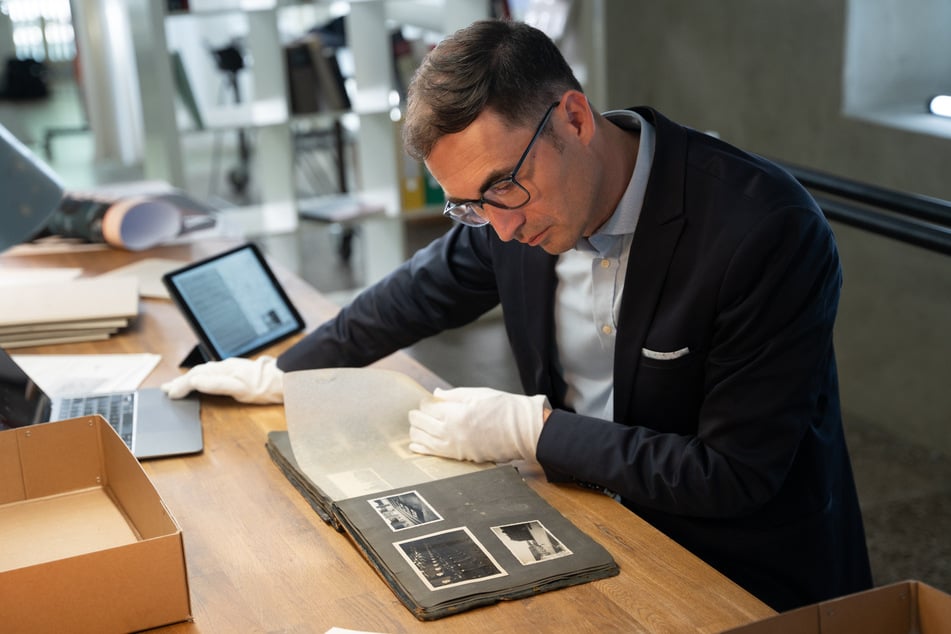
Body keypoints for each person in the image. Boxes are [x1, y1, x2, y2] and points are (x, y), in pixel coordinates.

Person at [162, 19, 873, 611]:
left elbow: (733, 475)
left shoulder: (762, 230)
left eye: (504, 187)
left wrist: (531, 432)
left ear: (572, 116)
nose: (496, 229)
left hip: (738, 572)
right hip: (588, 524)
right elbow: (413, 294)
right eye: (468, 205)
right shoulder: (514, 214)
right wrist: (285, 375)